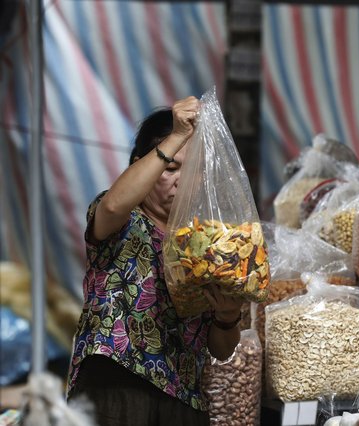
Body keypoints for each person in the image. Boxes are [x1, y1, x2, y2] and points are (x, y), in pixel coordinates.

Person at [66, 96, 244, 426]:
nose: (180, 179)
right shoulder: (124, 220)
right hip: (116, 385)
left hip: (184, 400)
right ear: (141, 164)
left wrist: (227, 315)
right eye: (170, 167)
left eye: (191, 170)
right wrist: (177, 135)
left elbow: (221, 349)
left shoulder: (203, 245)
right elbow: (111, 208)